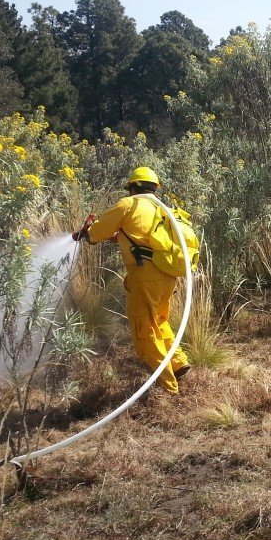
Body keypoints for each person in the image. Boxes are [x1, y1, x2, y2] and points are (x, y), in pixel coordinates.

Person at [74, 167, 191, 395]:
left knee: (143, 330)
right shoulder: (162, 208)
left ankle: (168, 388)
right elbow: (139, 237)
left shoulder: (128, 205)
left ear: (133, 187)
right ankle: (177, 362)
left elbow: (95, 233)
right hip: (167, 275)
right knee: (159, 320)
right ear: (155, 187)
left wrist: (86, 233)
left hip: (145, 276)